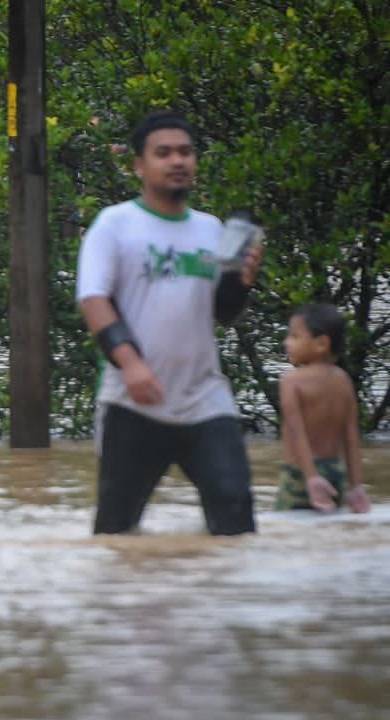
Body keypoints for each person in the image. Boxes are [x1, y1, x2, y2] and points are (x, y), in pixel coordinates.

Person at [76, 111, 264, 535]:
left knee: (236, 521)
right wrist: (132, 363)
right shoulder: (115, 224)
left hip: (204, 400)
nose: (177, 161)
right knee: (116, 534)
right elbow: (93, 299)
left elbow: (223, 314)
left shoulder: (211, 229)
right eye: (163, 153)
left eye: (185, 152)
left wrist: (242, 282)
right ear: (139, 166)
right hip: (133, 402)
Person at [275, 304, 372, 513]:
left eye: (294, 336)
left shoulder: (291, 381)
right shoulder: (343, 380)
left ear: (321, 344)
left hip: (300, 475)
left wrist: (311, 478)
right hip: (335, 474)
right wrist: (356, 486)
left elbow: (296, 432)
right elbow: (351, 437)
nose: (286, 342)